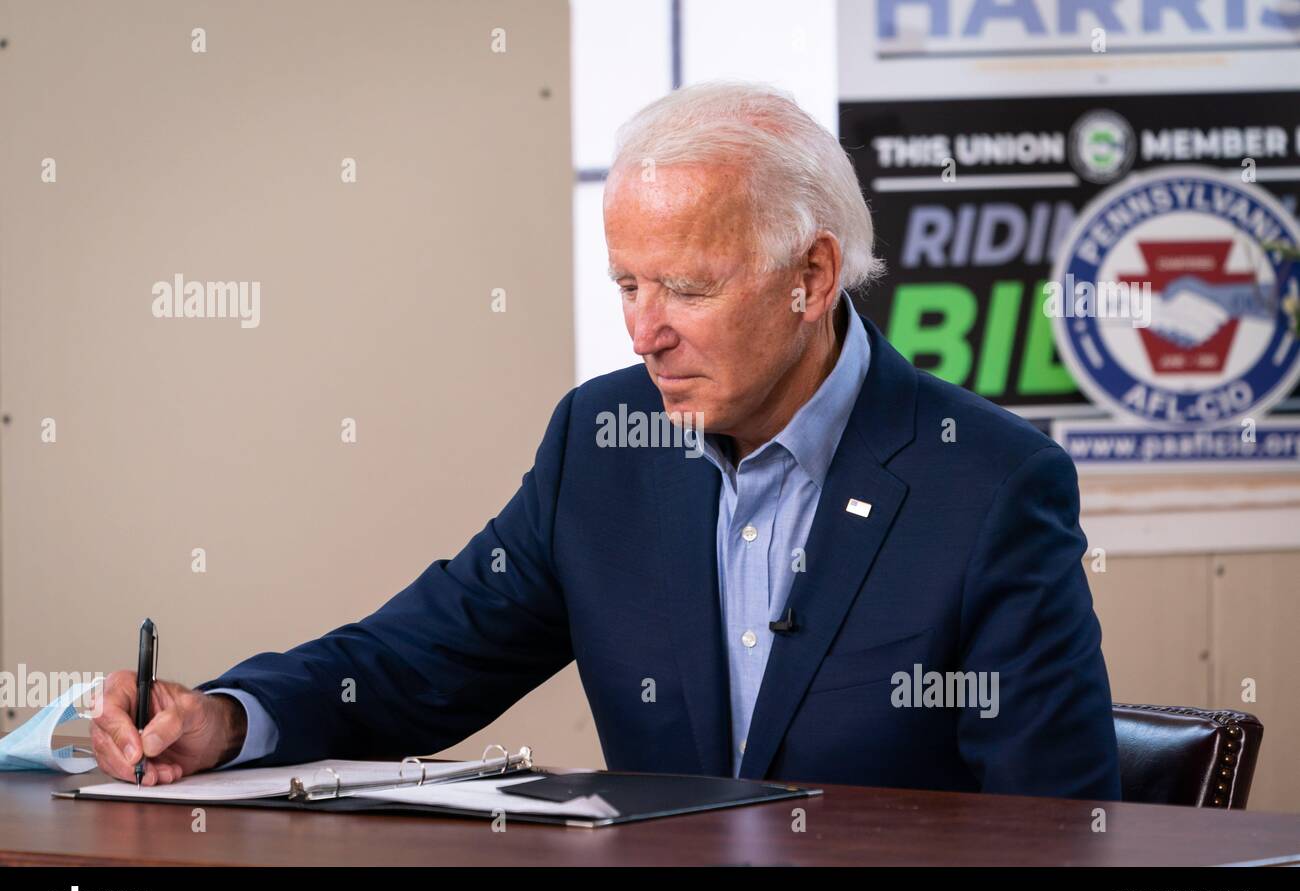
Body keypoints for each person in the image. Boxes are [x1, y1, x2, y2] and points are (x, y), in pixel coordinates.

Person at [90, 81, 1121, 799]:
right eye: (628, 283)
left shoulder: (988, 484)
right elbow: (413, 661)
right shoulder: (604, 441)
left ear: (809, 277)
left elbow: (1057, 822)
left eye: (686, 287)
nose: (644, 330)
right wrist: (226, 717)